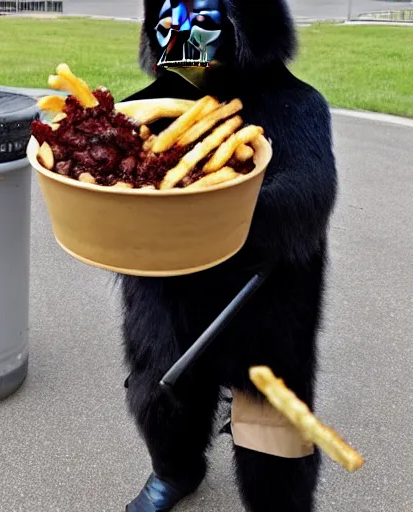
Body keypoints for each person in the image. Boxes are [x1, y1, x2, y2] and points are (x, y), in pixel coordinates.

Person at [120, 1, 338, 510]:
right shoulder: (147, 106)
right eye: (167, 20)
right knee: (160, 397)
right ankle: (174, 471)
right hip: (168, 294)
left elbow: (310, 193)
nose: (180, 34)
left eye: (199, 18)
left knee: (273, 433)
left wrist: (206, 207)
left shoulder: (297, 103)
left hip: (262, 294)